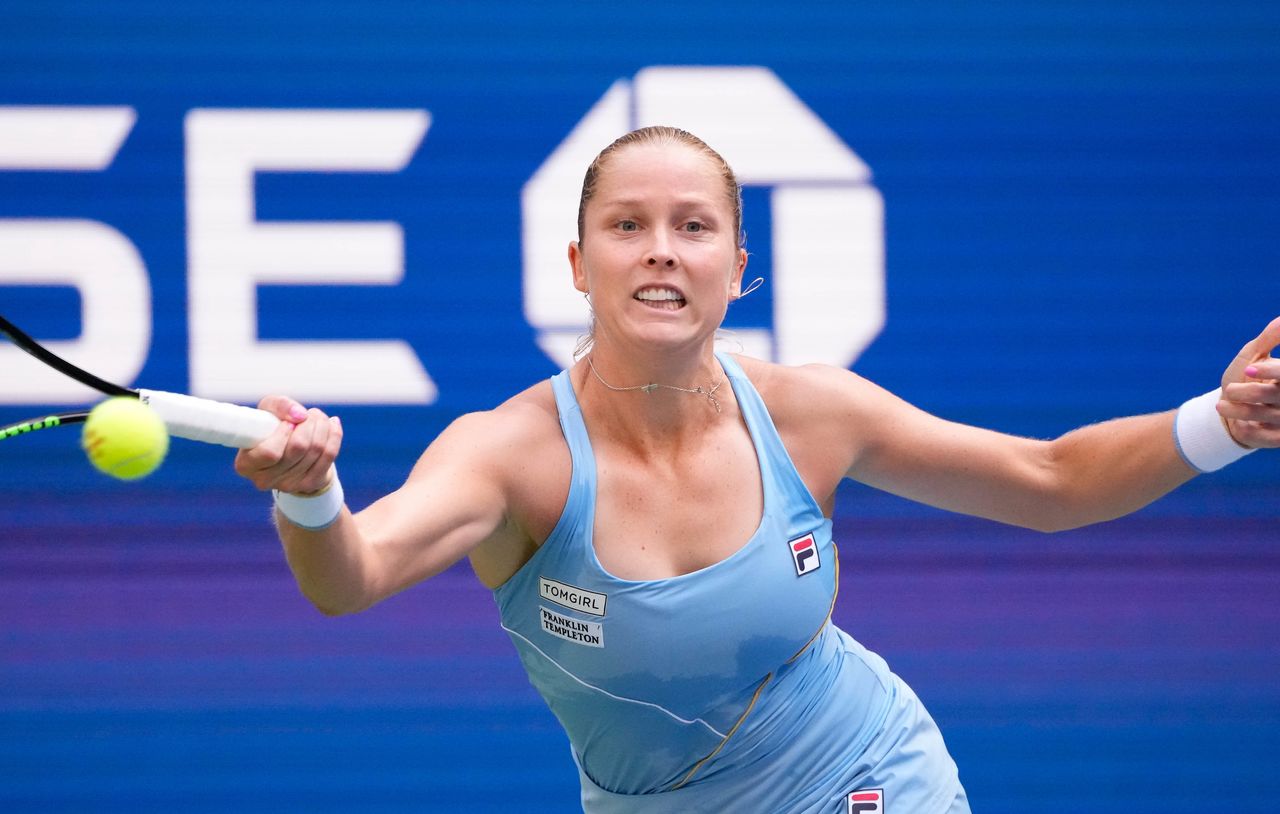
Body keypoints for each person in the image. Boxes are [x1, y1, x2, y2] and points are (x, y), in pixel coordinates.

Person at [234, 126, 1280, 814]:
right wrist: (311, 495)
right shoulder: (510, 457)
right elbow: (352, 576)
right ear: (576, 263)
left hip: (864, 773)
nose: (660, 251)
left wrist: (1220, 422)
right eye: (626, 226)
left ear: (734, 269)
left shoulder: (809, 413)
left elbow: (1050, 480)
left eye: (693, 228)